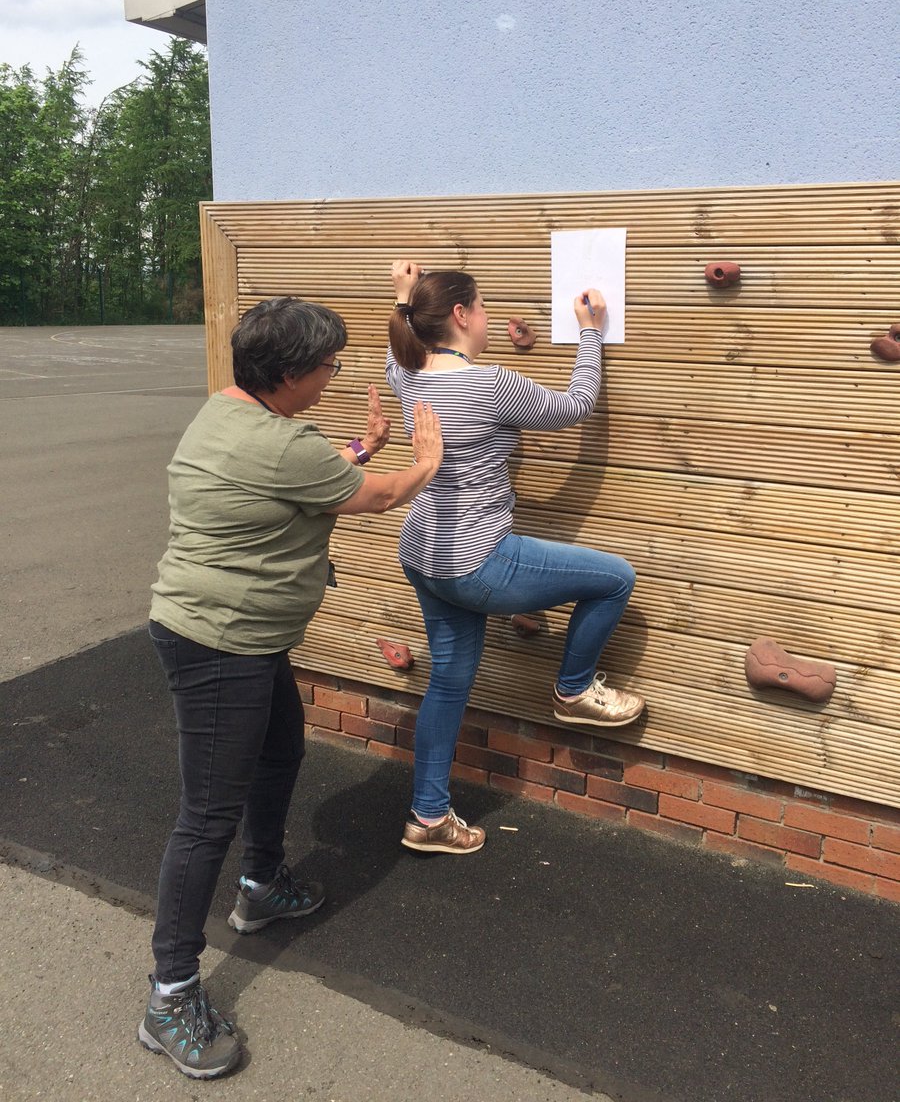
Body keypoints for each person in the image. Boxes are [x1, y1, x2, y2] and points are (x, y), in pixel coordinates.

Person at [140, 296, 442, 1079]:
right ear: (287, 375)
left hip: (241, 636)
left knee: (280, 752)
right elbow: (370, 496)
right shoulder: (284, 445)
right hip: (219, 645)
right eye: (327, 367)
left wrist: (358, 445)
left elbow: (297, 477)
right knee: (205, 817)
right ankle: (170, 993)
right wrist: (423, 462)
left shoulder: (226, 412)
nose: (334, 375)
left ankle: (260, 882)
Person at [386, 260, 644, 856]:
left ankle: (428, 818)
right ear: (460, 315)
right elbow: (575, 405)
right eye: (479, 307)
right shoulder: (489, 383)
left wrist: (403, 297)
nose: (484, 318)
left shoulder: (406, 371)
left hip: (422, 554)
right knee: (614, 579)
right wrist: (589, 329)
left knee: (447, 685)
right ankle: (574, 690)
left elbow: (397, 343)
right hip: (477, 561)